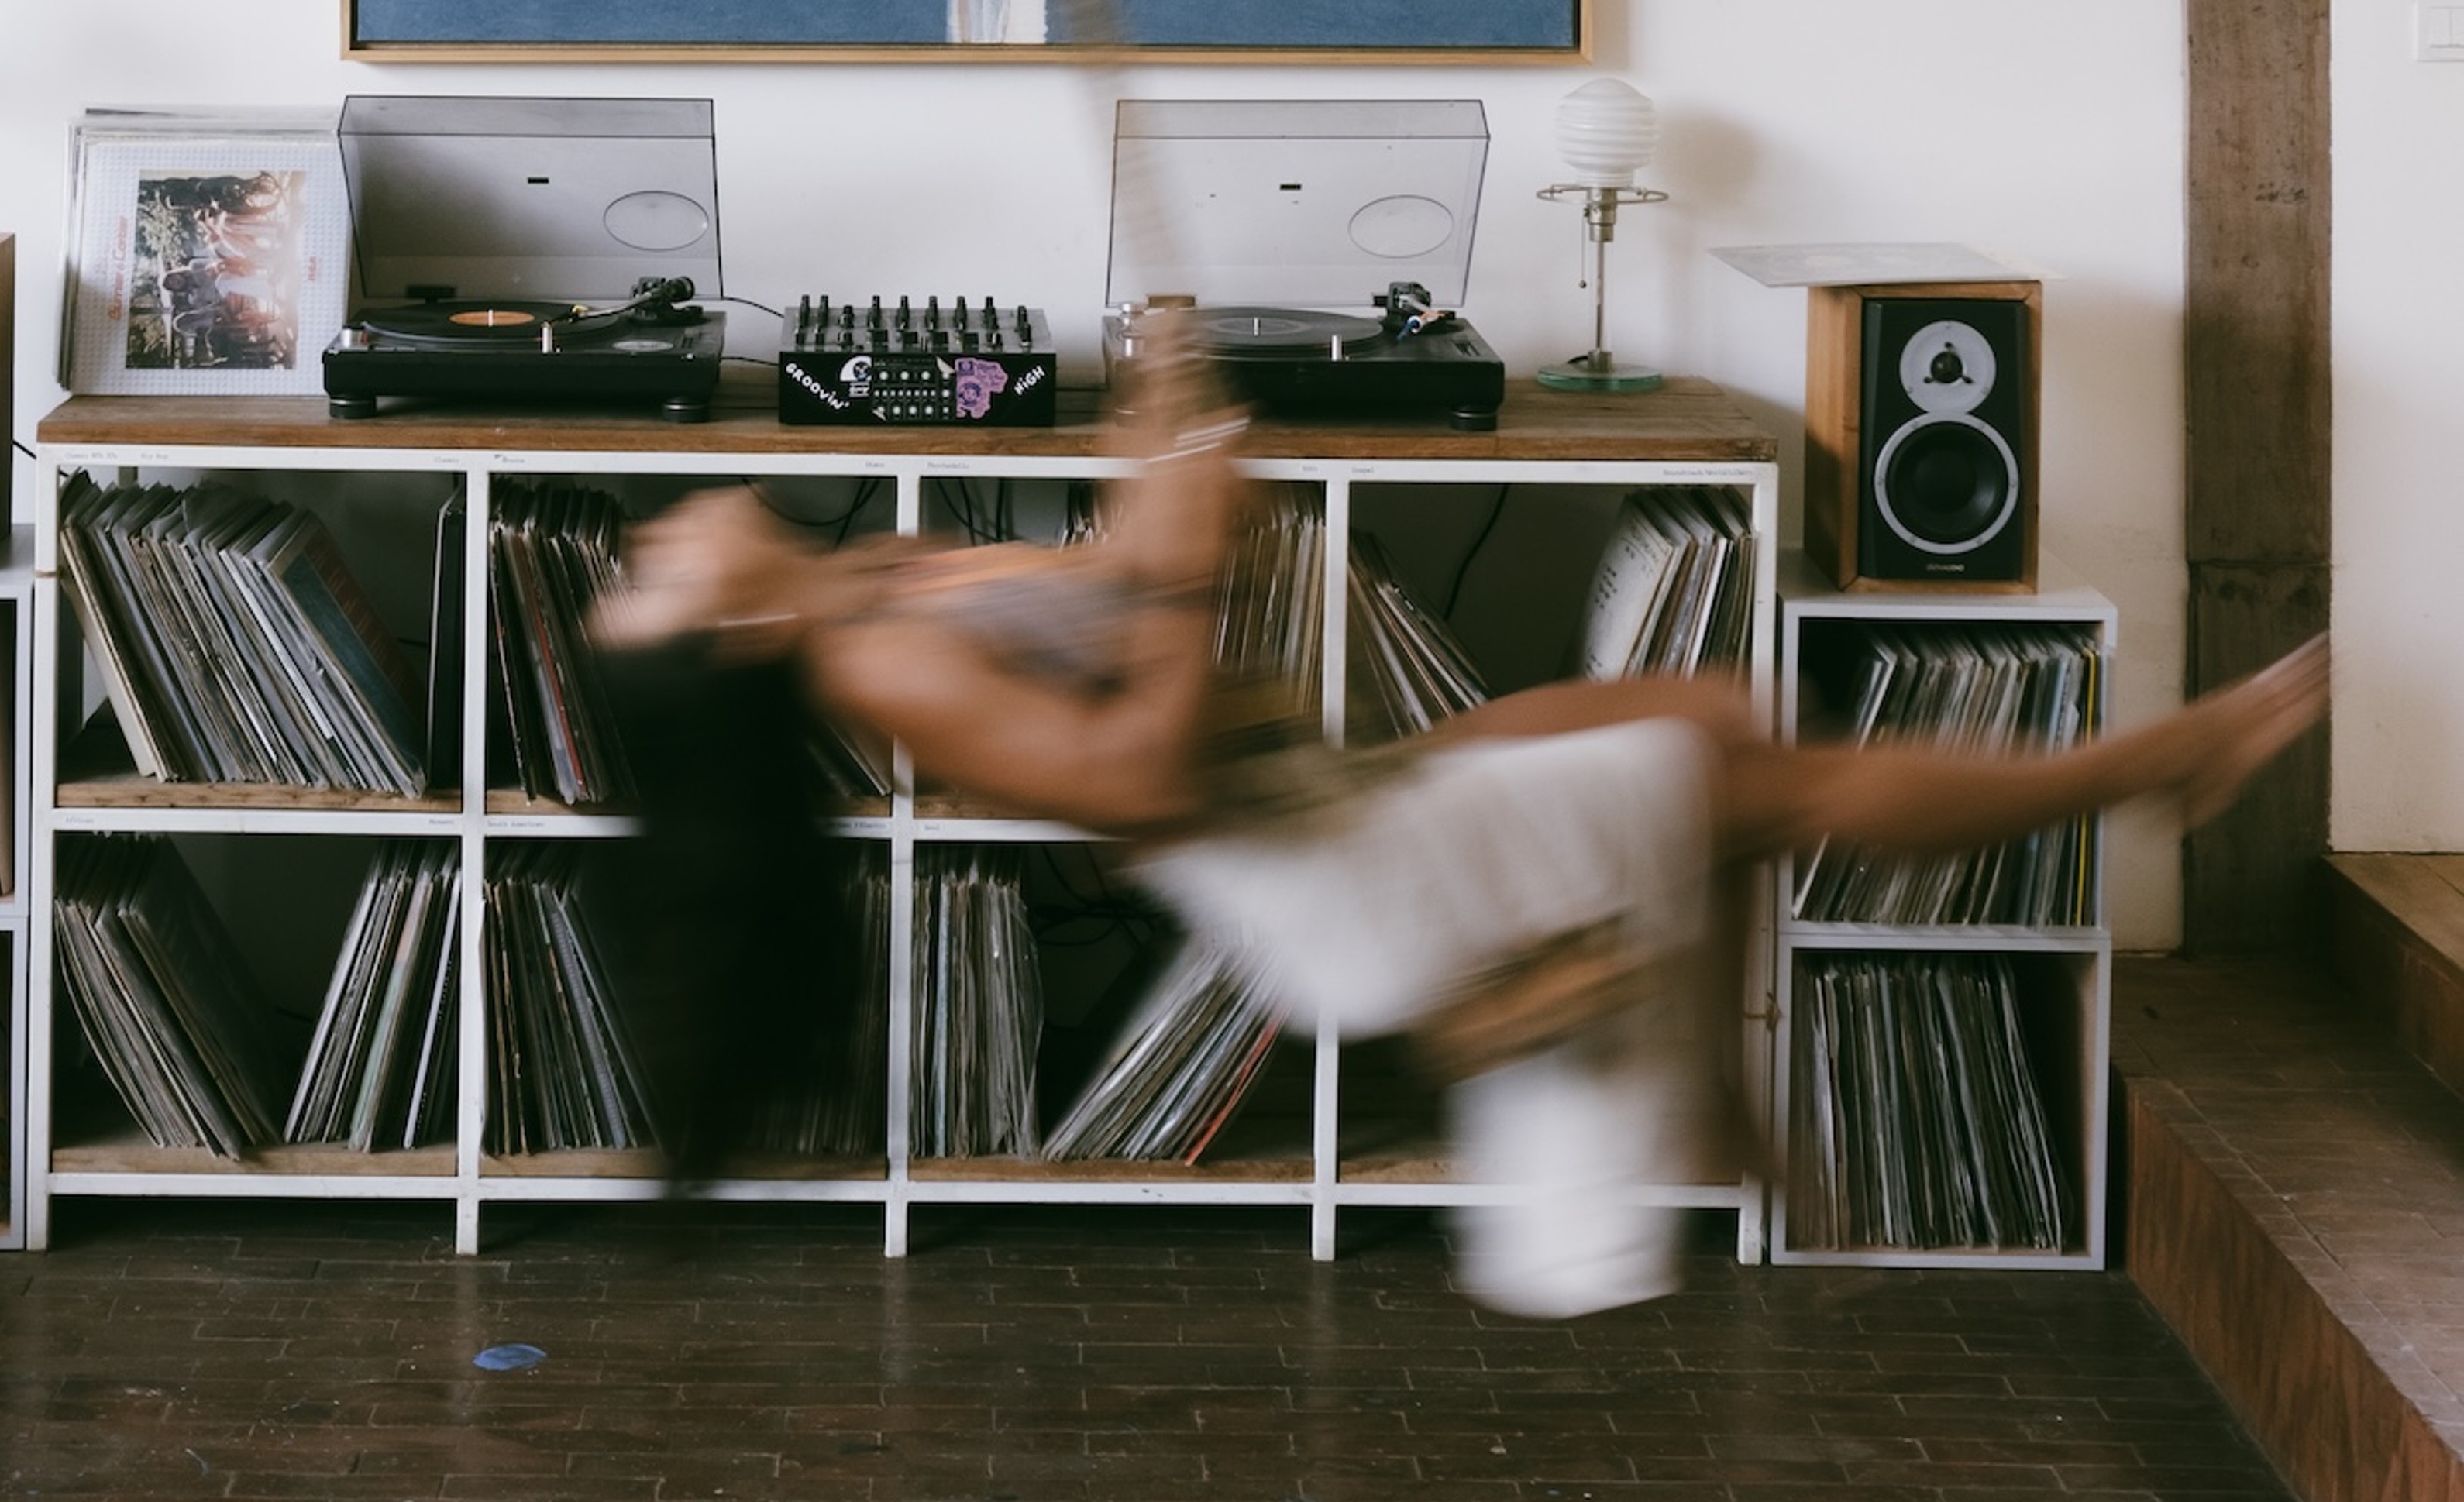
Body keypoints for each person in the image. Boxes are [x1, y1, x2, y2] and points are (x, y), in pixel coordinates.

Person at [590, 364, 2328, 1310]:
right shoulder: (876, 650)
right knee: (1749, 778)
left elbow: (1112, 606)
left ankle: (1692, 1058)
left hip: (1331, 813)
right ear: (734, 638)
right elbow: (1138, 790)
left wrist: (1156, 476)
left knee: (1707, 724)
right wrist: (1191, 556)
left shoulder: (873, 577)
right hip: (1327, 879)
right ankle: (2165, 761)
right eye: (659, 584)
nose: (658, 538)